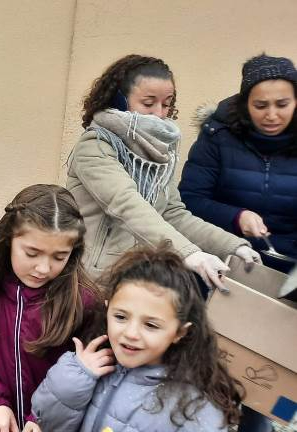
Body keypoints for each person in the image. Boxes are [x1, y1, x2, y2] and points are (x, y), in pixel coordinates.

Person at [67, 54, 260, 293]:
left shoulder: (159, 153)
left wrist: (232, 247)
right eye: (148, 104)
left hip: (137, 278)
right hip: (90, 281)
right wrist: (189, 254)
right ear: (119, 100)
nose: (159, 113)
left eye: (166, 104)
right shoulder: (95, 145)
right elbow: (126, 204)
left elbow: (173, 213)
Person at [31, 245, 243, 431]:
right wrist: (73, 380)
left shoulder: (195, 407)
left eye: (150, 325)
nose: (131, 333)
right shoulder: (87, 368)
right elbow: (46, 424)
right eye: (121, 317)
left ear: (180, 332)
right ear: (107, 311)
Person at [0, 184, 99, 432]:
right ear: (9, 239)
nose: (43, 268)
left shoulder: (85, 301)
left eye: (59, 257)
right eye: (32, 253)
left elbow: (90, 377)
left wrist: (43, 416)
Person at [180, 54, 297, 274]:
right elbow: (189, 200)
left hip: (290, 272)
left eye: (282, 104)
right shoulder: (217, 135)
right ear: (245, 104)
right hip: (225, 262)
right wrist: (236, 217)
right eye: (260, 105)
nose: (272, 115)